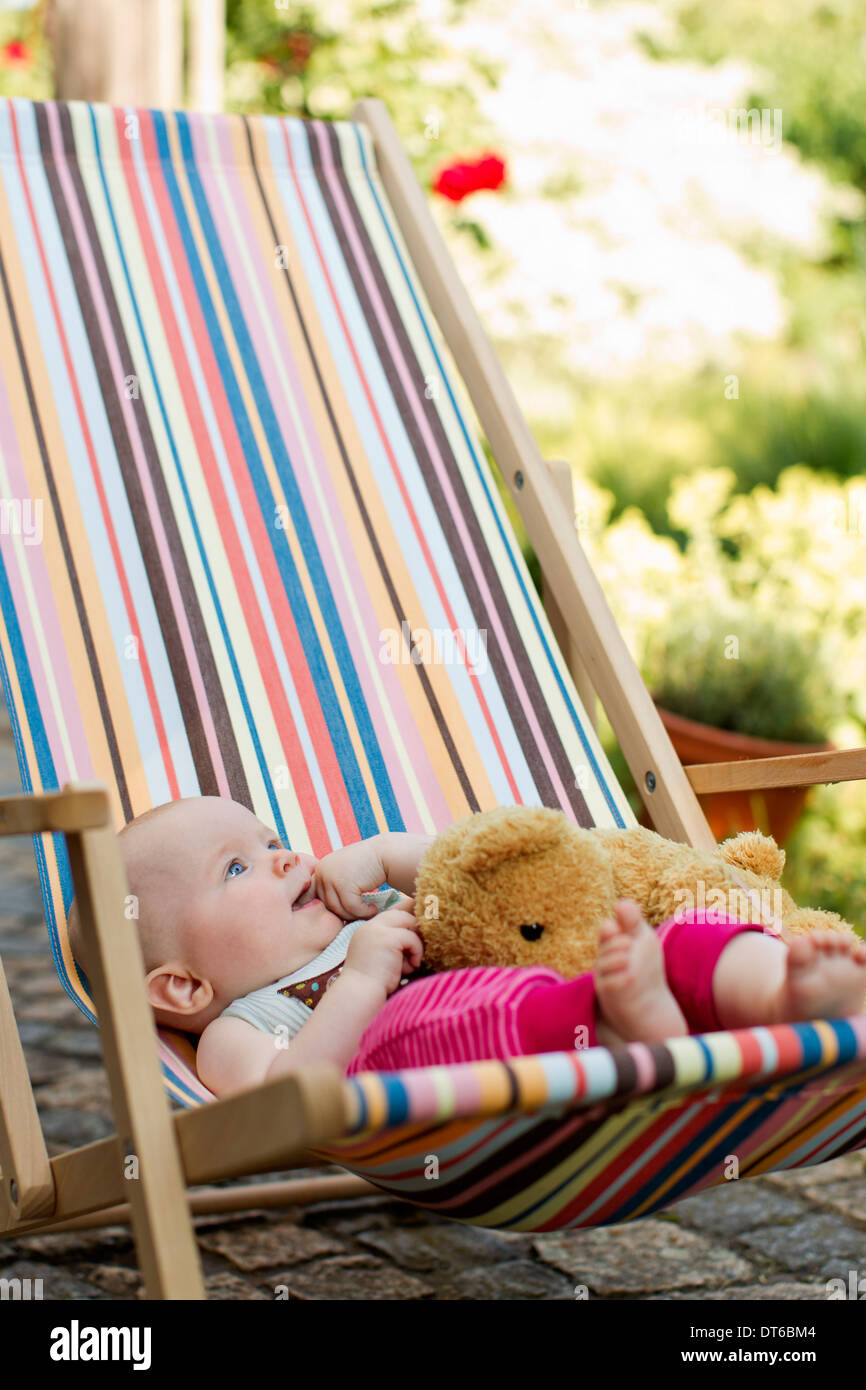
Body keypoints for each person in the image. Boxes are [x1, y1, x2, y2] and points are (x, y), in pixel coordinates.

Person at [67, 797, 866, 1097]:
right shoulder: (245, 1029)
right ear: (180, 988)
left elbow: (467, 868)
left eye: (272, 838)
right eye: (237, 866)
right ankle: (626, 1024)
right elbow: (293, 1101)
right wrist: (363, 979)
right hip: (491, 1043)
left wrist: (381, 858)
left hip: (587, 981)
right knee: (498, 1009)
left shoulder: (360, 910)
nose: (284, 856)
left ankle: (780, 990)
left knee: (685, 939)